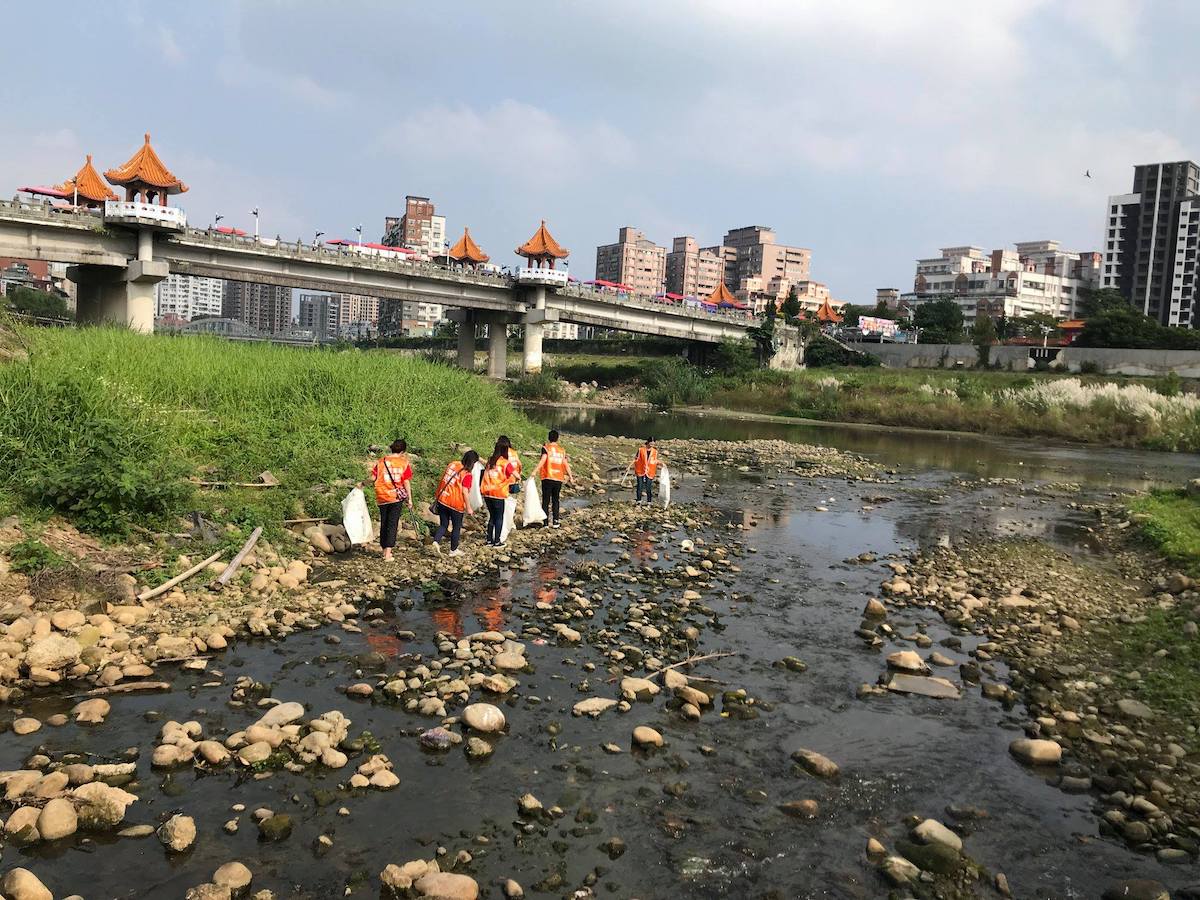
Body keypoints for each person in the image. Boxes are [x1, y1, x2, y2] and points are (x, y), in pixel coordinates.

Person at [371, 439, 413, 562]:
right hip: (395, 497)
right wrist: (409, 498)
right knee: (392, 523)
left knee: (384, 522)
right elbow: (406, 481)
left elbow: (373, 477)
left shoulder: (381, 461)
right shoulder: (403, 463)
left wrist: (363, 483)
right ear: (403, 451)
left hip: (382, 496)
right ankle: (388, 553)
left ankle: (384, 549)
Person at [432, 449, 478, 557]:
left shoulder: (453, 464)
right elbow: (465, 492)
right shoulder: (467, 474)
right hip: (456, 504)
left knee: (444, 524)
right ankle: (453, 550)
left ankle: (436, 541)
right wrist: (469, 507)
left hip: (443, 499)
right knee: (456, 527)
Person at [536, 429, 574, 529]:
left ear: (549, 438)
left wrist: (534, 471)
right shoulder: (562, 450)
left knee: (546, 500)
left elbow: (543, 460)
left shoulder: (546, 448)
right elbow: (566, 464)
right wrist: (571, 476)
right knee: (556, 500)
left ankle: (545, 523)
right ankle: (556, 521)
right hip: (558, 478)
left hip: (548, 477)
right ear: (557, 438)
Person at [480, 442, 516, 546]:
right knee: (499, 517)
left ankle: (489, 540)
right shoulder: (505, 463)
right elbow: (516, 475)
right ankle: (497, 541)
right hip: (498, 493)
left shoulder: (490, 461)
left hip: (487, 492)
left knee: (492, 516)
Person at [632, 437, 658, 505]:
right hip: (640, 470)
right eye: (651, 443)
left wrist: (661, 464)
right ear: (648, 442)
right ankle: (638, 501)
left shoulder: (655, 451)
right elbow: (636, 459)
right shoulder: (641, 450)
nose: (652, 444)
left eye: (653, 443)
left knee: (648, 487)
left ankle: (649, 502)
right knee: (639, 486)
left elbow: (654, 461)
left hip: (650, 471)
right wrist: (629, 466)